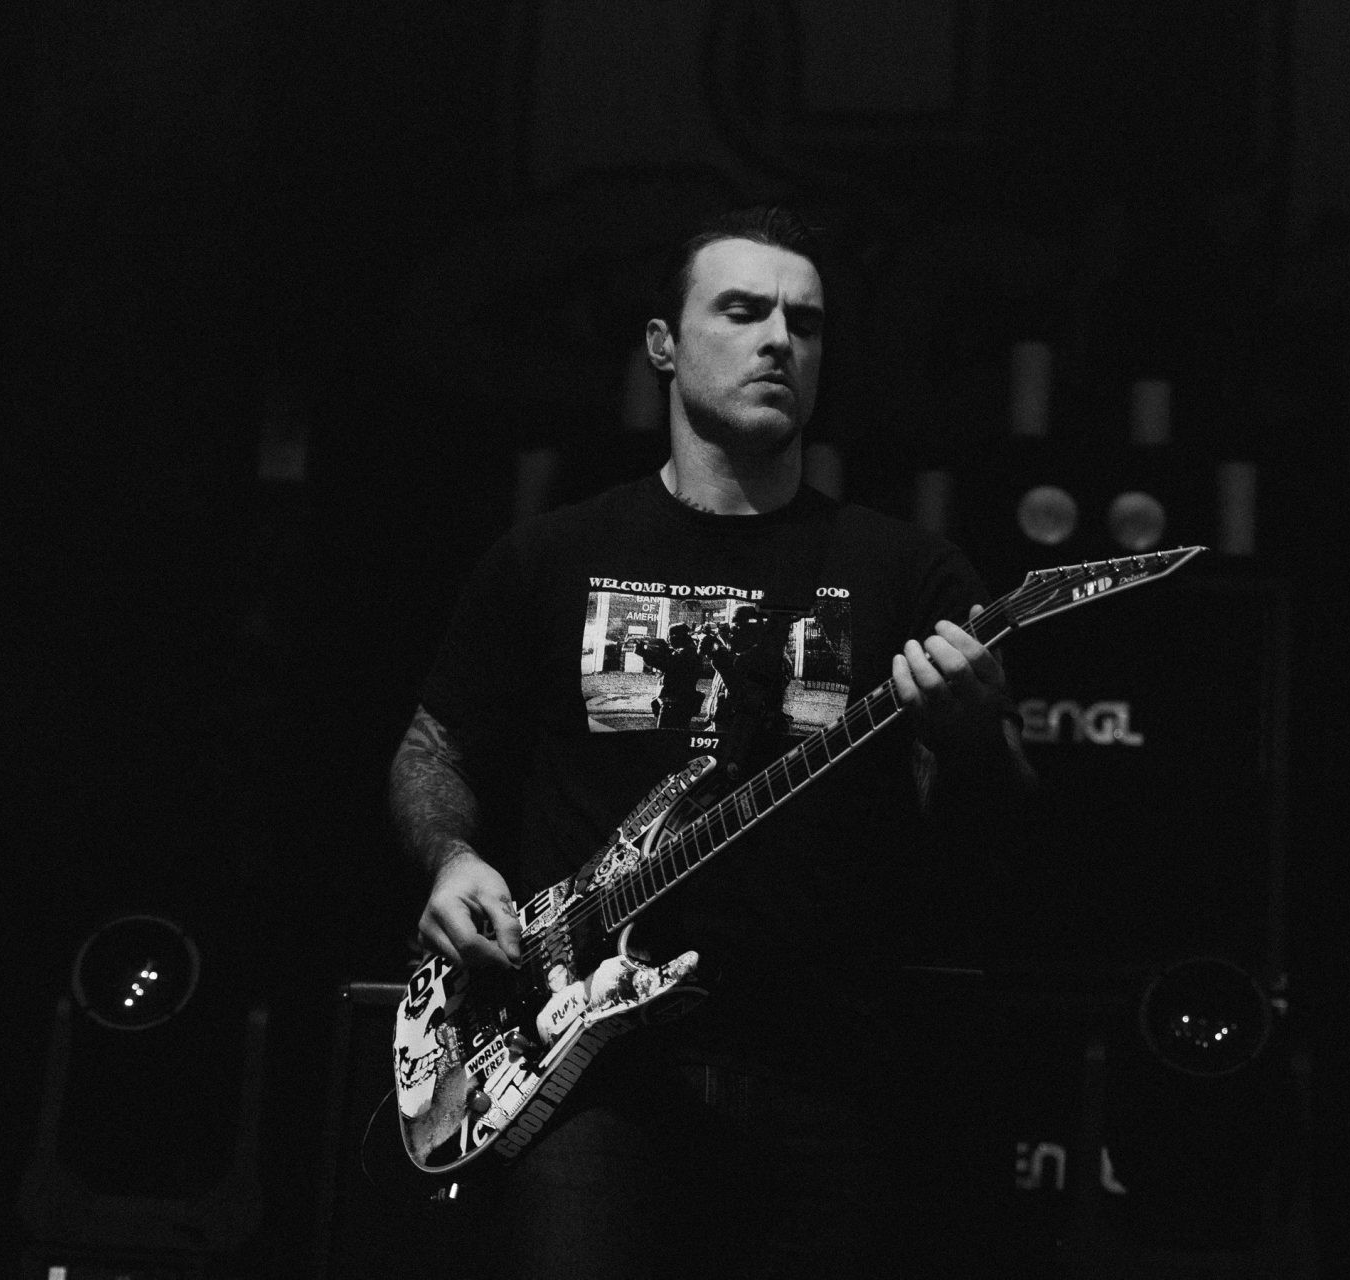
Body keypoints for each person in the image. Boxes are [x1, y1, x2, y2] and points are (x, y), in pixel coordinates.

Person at [388, 206, 1032, 1279]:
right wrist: (452, 859)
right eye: (742, 311)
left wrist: (972, 740)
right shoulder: (550, 554)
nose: (780, 339)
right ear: (663, 345)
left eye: (805, 322)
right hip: (586, 1069)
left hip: (825, 1068)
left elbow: (995, 831)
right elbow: (433, 747)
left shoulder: (906, 572)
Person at [635, 622, 703, 729]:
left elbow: (667, 664)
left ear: (678, 637)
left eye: (670, 636)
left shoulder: (685, 653)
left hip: (675, 703)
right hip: (680, 701)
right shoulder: (689, 651)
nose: (669, 639)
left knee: (666, 734)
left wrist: (644, 653)